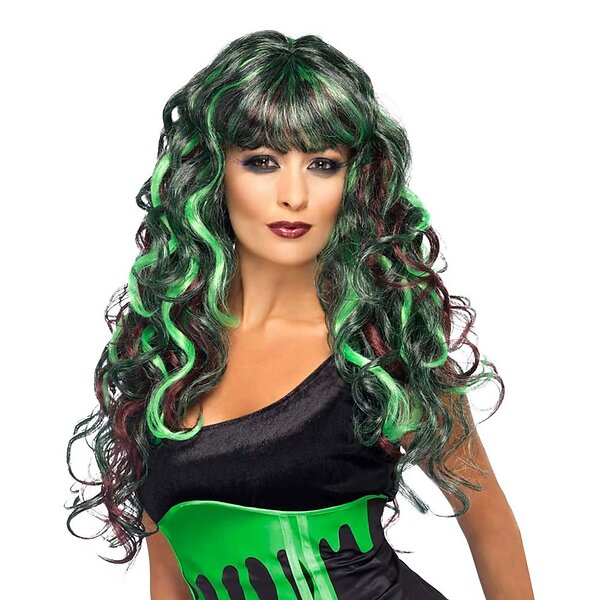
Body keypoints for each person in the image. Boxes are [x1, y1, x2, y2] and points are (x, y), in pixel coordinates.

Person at [65, 30, 534, 599]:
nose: (294, 194)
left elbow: (489, 527)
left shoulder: (381, 353)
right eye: (262, 161)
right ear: (212, 173)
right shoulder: (164, 353)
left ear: (355, 180)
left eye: (322, 164)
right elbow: (170, 575)